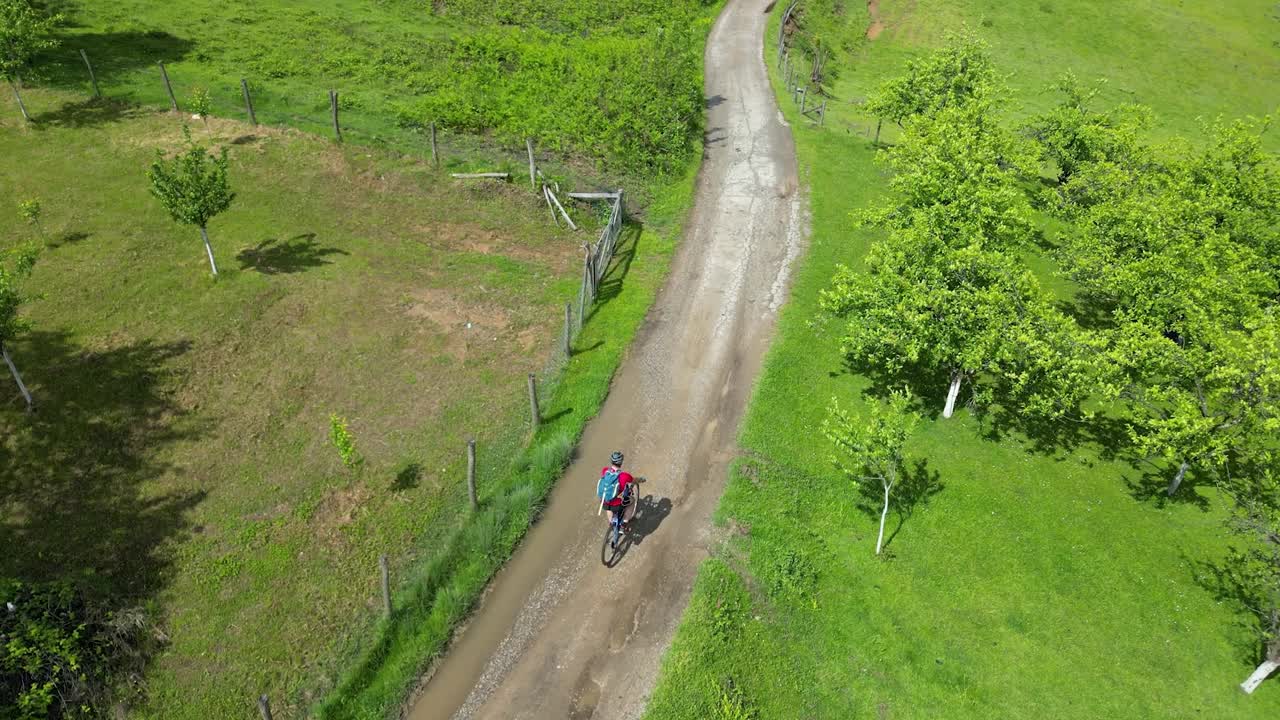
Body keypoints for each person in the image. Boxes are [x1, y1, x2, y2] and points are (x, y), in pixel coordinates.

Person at [599, 451, 635, 531]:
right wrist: (640, 480)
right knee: (632, 500)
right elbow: (633, 481)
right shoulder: (625, 476)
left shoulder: (605, 471)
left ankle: (612, 523)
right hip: (617, 505)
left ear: (611, 461)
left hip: (603, 501)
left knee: (609, 506)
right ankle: (624, 523)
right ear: (621, 462)